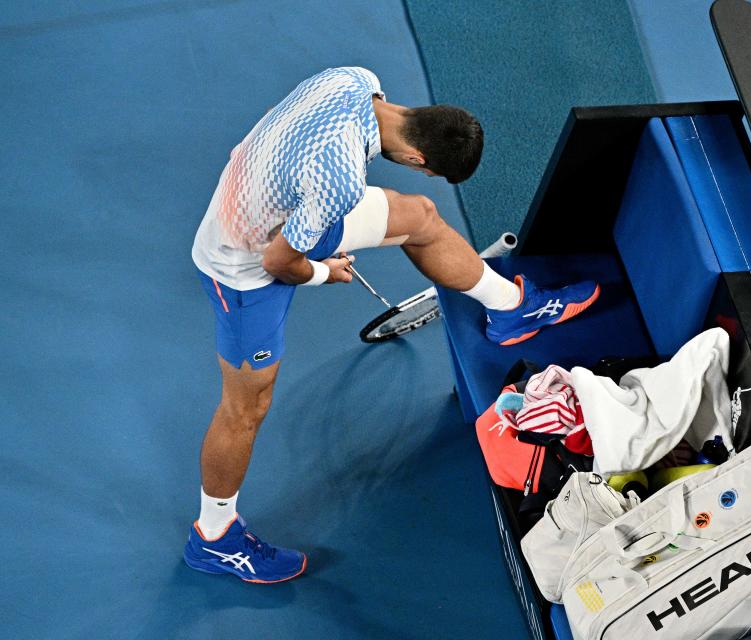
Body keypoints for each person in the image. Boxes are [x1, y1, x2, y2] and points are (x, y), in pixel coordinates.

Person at [184, 67, 600, 582]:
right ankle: (214, 536)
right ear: (417, 157)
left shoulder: (354, 78)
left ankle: (509, 306)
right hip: (242, 263)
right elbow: (277, 263)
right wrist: (322, 272)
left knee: (421, 217)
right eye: (426, 171)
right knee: (246, 409)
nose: (421, 175)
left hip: (289, 200)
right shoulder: (337, 182)